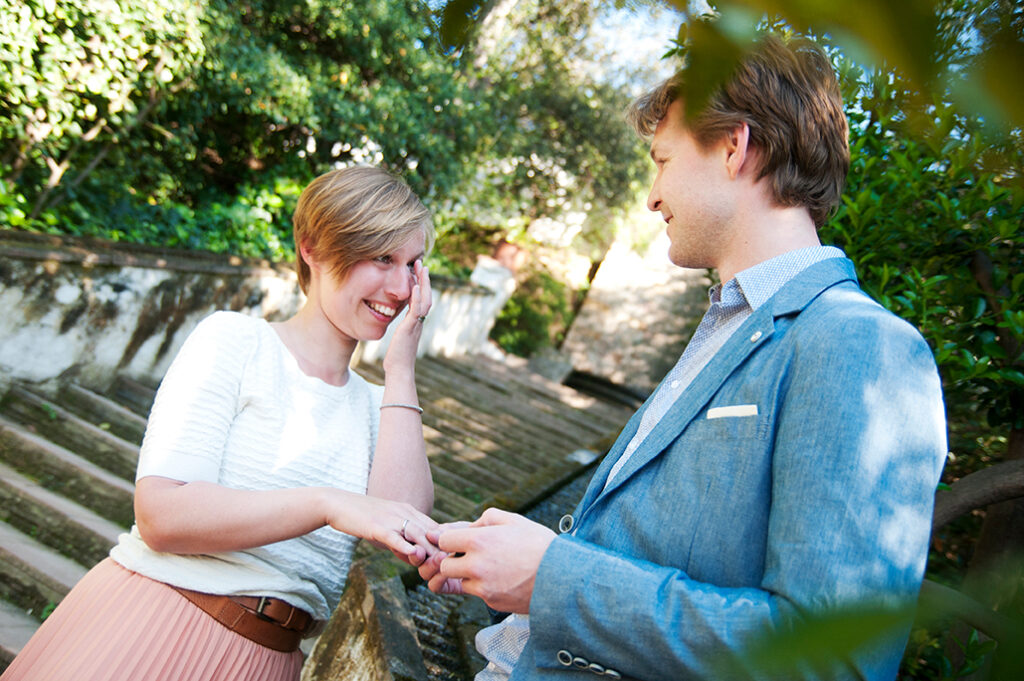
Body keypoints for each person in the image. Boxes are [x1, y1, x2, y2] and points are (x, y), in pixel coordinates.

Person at [418, 34, 948, 680]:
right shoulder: (730, 322)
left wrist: (555, 575)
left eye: (662, 160)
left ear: (734, 146)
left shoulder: (866, 346)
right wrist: (531, 555)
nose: (651, 195)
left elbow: (833, 658)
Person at [3, 166, 440, 681]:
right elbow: (162, 515)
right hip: (153, 623)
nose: (400, 285)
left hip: (269, 660)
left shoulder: (377, 407)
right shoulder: (234, 341)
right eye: (381, 257)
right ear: (313, 248)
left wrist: (400, 368)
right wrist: (327, 503)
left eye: (413, 264)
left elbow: (405, 524)